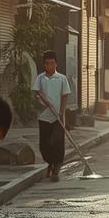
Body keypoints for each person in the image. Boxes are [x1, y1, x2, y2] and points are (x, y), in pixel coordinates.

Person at [33, 51, 73, 182]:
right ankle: (49, 163)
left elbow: (64, 96)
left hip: (57, 116)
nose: (49, 66)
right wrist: (44, 100)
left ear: (56, 64)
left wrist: (61, 113)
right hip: (44, 116)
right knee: (44, 145)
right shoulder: (40, 78)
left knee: (57, 143)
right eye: (47, 63)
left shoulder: (62, 78)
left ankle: (56, 169)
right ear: (44, 64)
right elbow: (37, 93)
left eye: (52, 63)